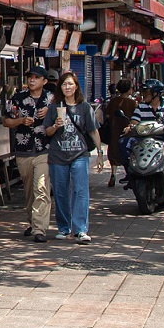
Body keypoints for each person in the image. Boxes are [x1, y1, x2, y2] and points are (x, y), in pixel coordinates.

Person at [4, 66, 58, 242]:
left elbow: (62, 119)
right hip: (24, 150)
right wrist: (20, 120)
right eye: (30, 77)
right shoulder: (18, 98)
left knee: (41, 188)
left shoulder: (52, 100)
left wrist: (50, 113)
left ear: (44, 81)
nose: (32, 80)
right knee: (29, 191)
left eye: (36, 77)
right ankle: (33, 221)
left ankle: (39, 229)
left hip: (45, 149)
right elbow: (6, 121)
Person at [45, 71, 99, 241]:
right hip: (58, 155)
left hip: (79, 154)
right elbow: (47, 131)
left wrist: (101, 153)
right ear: (60, 87)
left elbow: (93, 131)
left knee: (81, 190)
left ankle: (81, 229)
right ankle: (63, 227)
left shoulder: (84, 107)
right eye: (64, 84)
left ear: (76, 86)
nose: (67, 87)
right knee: (60, 192)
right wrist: (55, 125)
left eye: (70, 84)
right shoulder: (54, 107)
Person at [102, 77, 137, 188]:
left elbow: (107, 115)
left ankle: (113, 174)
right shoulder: (132, 103)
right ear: (129, 90)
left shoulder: (113, 101)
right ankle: (129, 173)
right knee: (128, 150)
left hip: (114, 129)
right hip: (127, 129)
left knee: (113, 150)